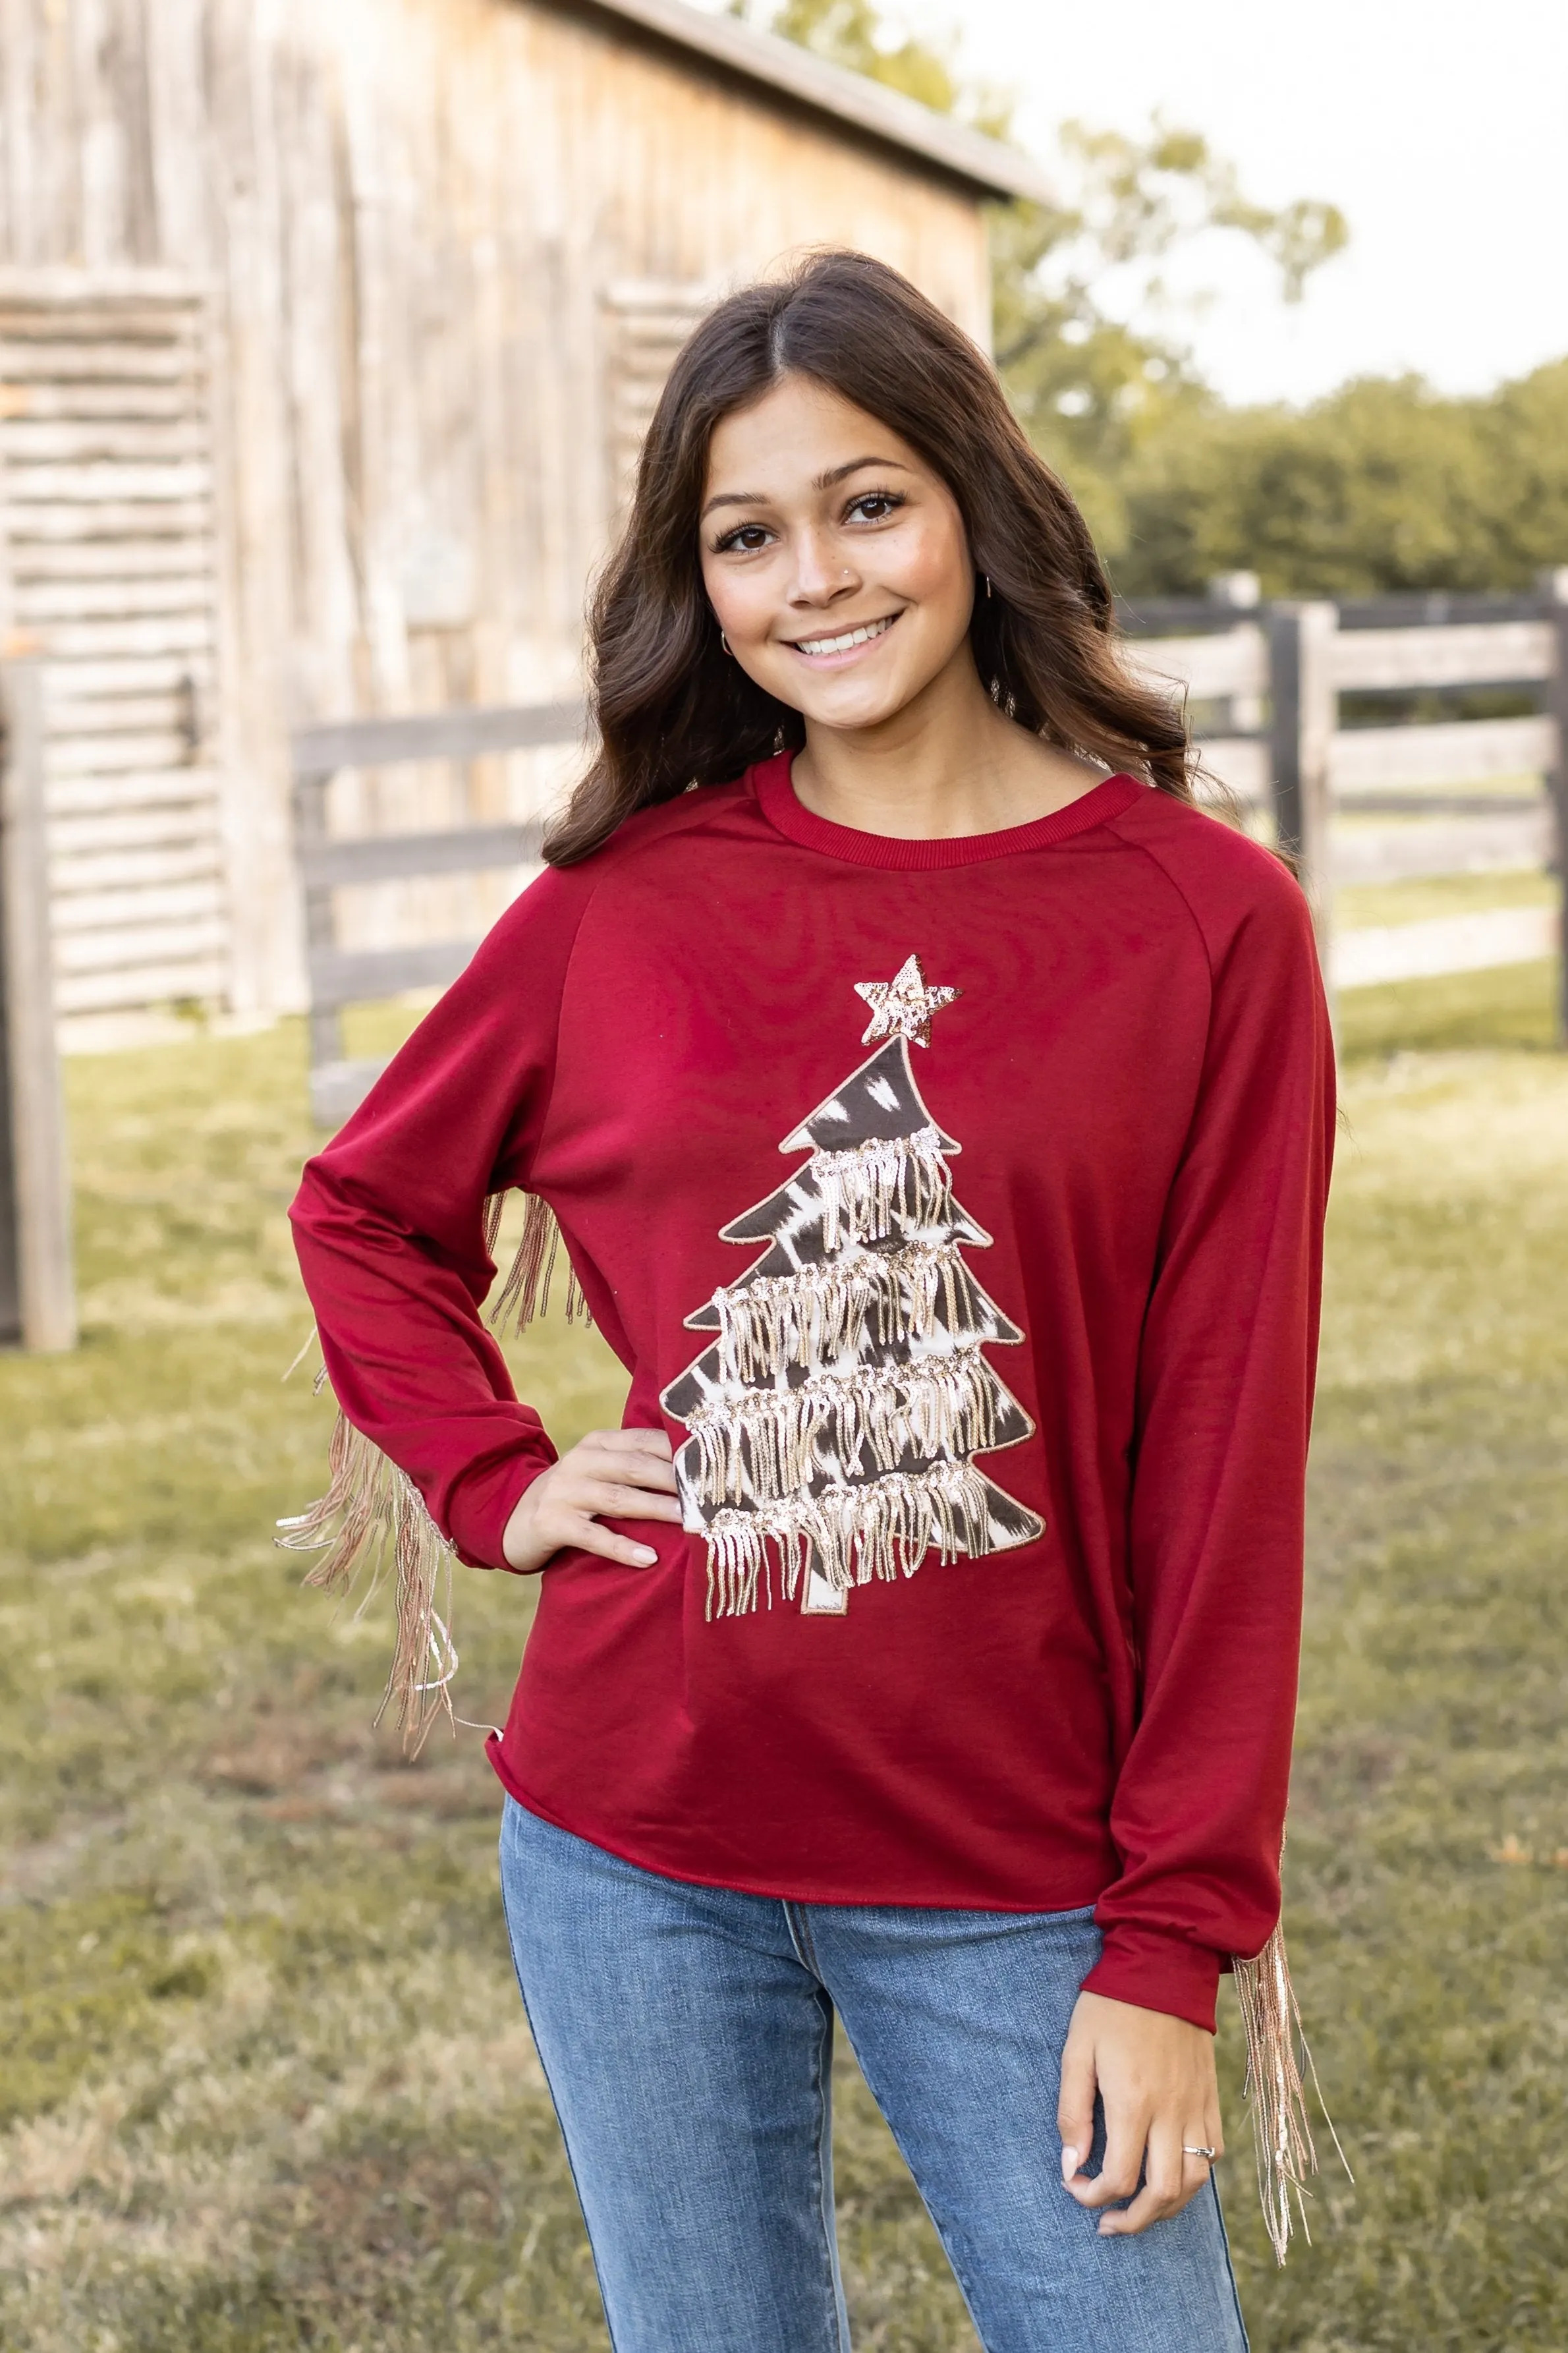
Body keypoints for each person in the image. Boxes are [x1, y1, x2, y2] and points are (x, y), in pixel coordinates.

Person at [286, 250, 1334, 2353]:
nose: (813, 580)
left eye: (866, 503)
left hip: (1023, 1872)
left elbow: (1225, 1458)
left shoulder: (1200, 924)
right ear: (700, 582)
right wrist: (494, 1481)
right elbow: (363, 1207)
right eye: (743, 535)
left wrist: (1170, 1936)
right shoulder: (626, 906)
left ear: (972, 505)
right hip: (630, 1848)